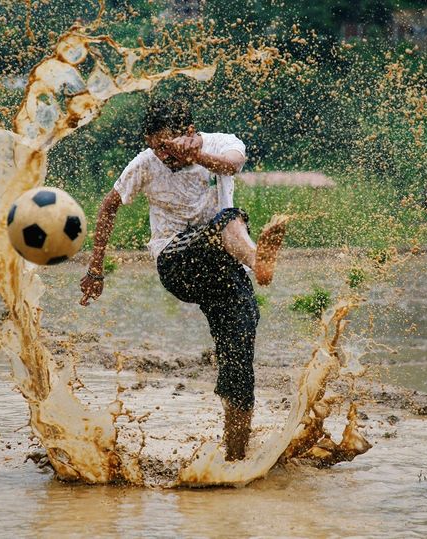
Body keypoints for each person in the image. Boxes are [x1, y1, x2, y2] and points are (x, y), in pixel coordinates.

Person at [79, 98, 288, 461]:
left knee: (239, 360)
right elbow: (109, 205)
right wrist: (96, 269)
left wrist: (198, 158)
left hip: (224, 271)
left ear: (189, 134)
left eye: (167, 146)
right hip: (177, 263)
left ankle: (234, 459)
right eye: (154, 147)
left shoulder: (219, 144)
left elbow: (232, 165)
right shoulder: (145, 164)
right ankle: (258, 261)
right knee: (228, 218)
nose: (161, 155)